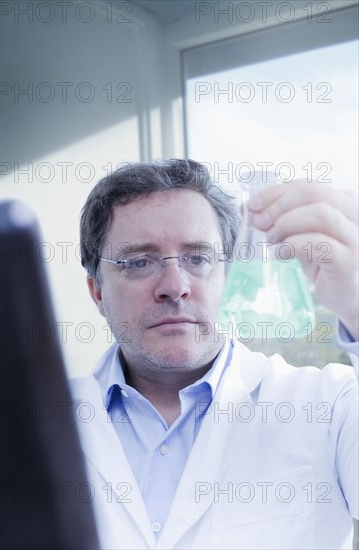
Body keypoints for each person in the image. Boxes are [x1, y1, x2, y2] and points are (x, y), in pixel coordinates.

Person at [72, 159, 358, 549]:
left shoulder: (329, 406)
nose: (175, 286)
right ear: (98, 292)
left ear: (229, 273)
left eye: (198, 258)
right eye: (140, 262)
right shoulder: (26, 423)